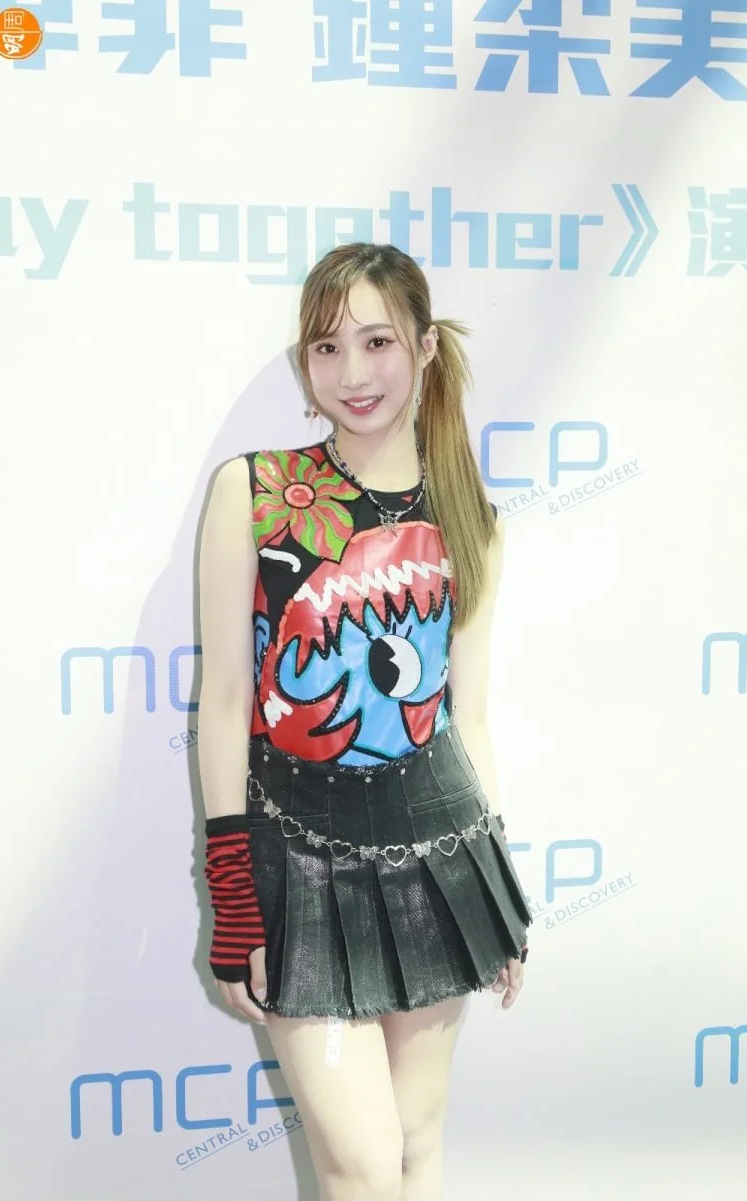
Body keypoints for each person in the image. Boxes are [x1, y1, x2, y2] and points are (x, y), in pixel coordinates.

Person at [197, 242, 533, 1201]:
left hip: (439, 848)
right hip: (294, 854)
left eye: (378, 341)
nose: (352, 372)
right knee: (359, 1162)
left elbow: (467, 716)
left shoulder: (469, 513)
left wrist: (495, 881)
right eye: (327, 346)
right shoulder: (256, 492)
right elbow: (225, 700)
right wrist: (233, 890)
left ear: (424, 347)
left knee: (417, 1144)